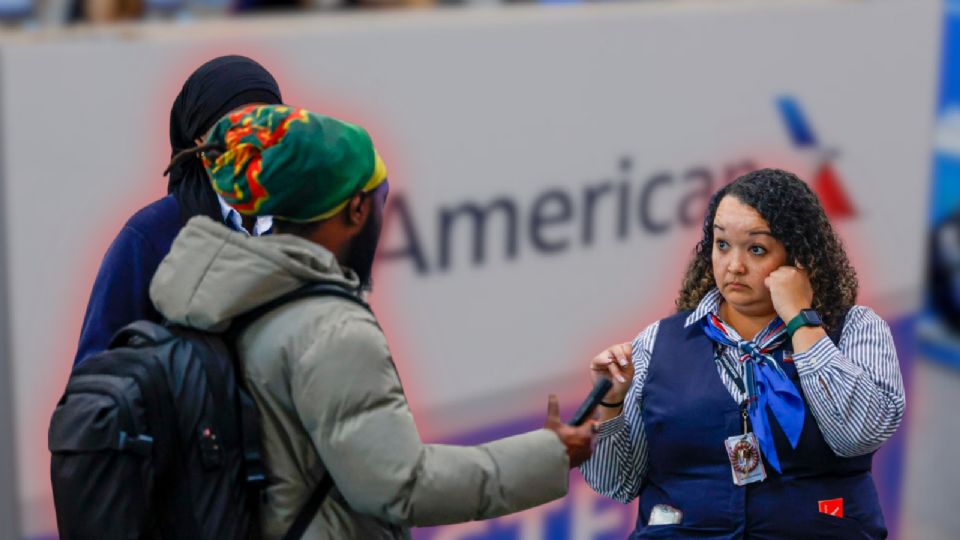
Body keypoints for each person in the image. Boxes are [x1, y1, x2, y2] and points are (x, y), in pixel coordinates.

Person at [149, 104, 597, 539]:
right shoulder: (331, 330)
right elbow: (402, 486)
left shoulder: (220, 295)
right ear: (357, 210)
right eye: (380, 200)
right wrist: (550, 454)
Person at [581, 168, 905, 539]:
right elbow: (615, 485)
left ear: (798, 258)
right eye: (722, 245)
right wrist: (609, 407)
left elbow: (858, 435)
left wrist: (801, 322)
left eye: (756, 249)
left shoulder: (855, 329)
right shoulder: (657, 342)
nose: (733, 265)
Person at [73, 55, 280, 365]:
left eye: (270, 124)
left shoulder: (306, 222)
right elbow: (95, 375)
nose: (256, 141)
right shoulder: (150, 235)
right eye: (238, 126)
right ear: (200, 139)